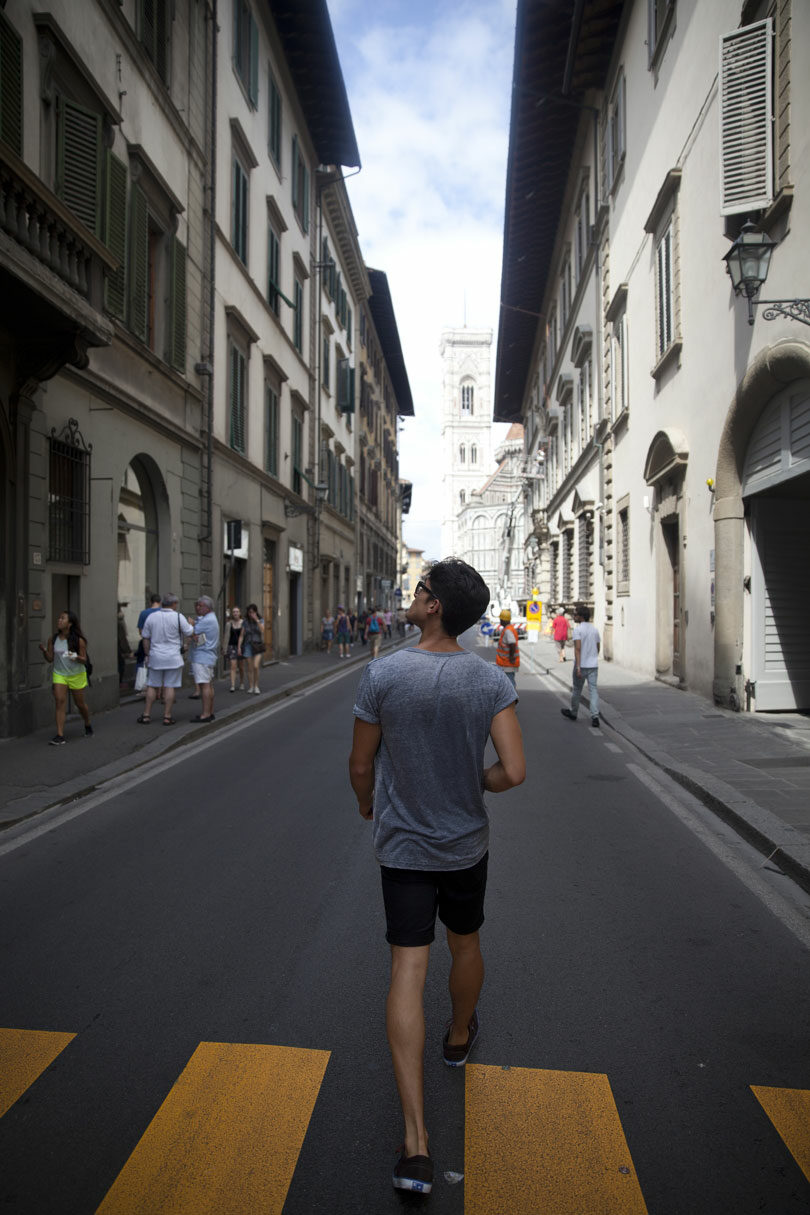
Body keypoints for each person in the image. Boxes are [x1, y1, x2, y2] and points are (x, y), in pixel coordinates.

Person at [349, 559, 526, 1195]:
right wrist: (473, 781)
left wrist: (369, 804)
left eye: (421, 590)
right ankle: (457, 1037)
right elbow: (514, 770)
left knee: (407, 968)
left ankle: (416, 1144)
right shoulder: (488, 680)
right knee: (467, 941)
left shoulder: (384, 674)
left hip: (401, 848)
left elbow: (361, 764)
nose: (414, 594)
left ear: (435, 608)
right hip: (463, 846)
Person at [39, 610, 93, 745]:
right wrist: (45, 651)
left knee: (79, 704)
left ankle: (87, 723)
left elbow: (84, 660)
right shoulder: (53, 639)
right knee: (59, 701)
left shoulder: (79, 640)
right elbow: (50, 659)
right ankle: (60, 735)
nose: (59, 620)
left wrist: (73, 656)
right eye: (59, 618)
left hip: (76, 674)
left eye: (62, 618)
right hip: (60, 674)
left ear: (69, 624)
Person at [139, 593, 193, 725]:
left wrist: (147, 655)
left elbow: (145, 638)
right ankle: (167, 716)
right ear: (174, 604)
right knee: (170, 686)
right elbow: (190, 632)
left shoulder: (152, 617)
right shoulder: (178, 617)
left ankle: (146, 715)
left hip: (156, 656)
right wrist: (190, 623)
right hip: (173, 657)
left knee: (152, 685)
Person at [560, 603, 601, 727]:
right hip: (593, 665)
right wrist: (592, 657)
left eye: (575, 614)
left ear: (581, 616)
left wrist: (578, 666)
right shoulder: (594, 629)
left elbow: (577, 649)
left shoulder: (578, 630)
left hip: (581, 665)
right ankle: (595, 717)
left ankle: (574, 712)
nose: (574, 617)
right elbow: (598, 647)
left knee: (577, 689)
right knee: (593, 690)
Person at [190, 595, 219, 722]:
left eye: (200, 605)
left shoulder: (207, 620)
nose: (197, 607)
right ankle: (210, 712)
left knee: (204, 685)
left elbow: (191, 631)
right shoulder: (210, 618)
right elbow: (200, 636)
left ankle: (206, 714)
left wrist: (191, 624)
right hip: (208, 655)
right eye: (197, 605)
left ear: (207, 608)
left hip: (202, 656)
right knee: (209, 685)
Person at [240, 603, 265, 694]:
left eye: (253, 612)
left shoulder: (261, 620)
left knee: (255, 666)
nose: (251, 614)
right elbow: (242, 635)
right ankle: (251, 686)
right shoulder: (245, 622)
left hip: (258, 645)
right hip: (248, 645)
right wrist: (239, 646)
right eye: (250, 612)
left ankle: (256, 686)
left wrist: (257, 620)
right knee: (249, 668)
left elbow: (262, 630)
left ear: (256, 612)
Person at [495, 607, 520, 688]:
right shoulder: (509, 629)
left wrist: (512, 657)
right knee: (508, 684)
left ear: (504, 620)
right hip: (506, 664)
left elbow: (512, 643)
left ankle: (513, 700)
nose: (500, 621)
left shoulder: (508, 631)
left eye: (501, 619)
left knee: (510, 685)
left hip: (507, 664)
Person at [224, 606, 246, 691]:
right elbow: (226, 637)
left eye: (237, 612)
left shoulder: (243, 623)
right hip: (231, 646)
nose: (235, 613)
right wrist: (224, 648)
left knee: (241, 666)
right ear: (232, 614)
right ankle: (232, 685)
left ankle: (241, 682)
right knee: (233, 666)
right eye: (234, 612)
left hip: (241, 647)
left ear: (240, 613)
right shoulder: (229, 624)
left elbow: (245, 636)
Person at [117, 603, 133, 686]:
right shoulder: (119, 624)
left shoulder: (118, 623)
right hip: (118, 649)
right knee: (120, 664)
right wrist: (128, 651)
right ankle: (119, 682)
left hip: (117, 648)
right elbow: (122, 639)